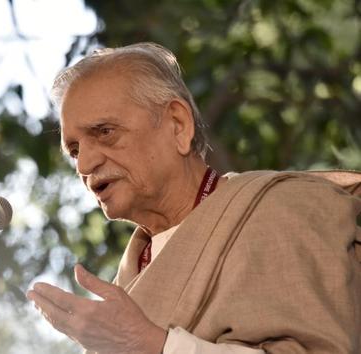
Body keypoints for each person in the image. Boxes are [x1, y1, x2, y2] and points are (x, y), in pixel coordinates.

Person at [25, 42, 361, 354]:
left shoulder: (282, 207)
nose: (84, 164)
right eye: (74, 150)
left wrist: (152, 345)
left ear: (177, 124)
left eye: (104, 132)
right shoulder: (127, 282)